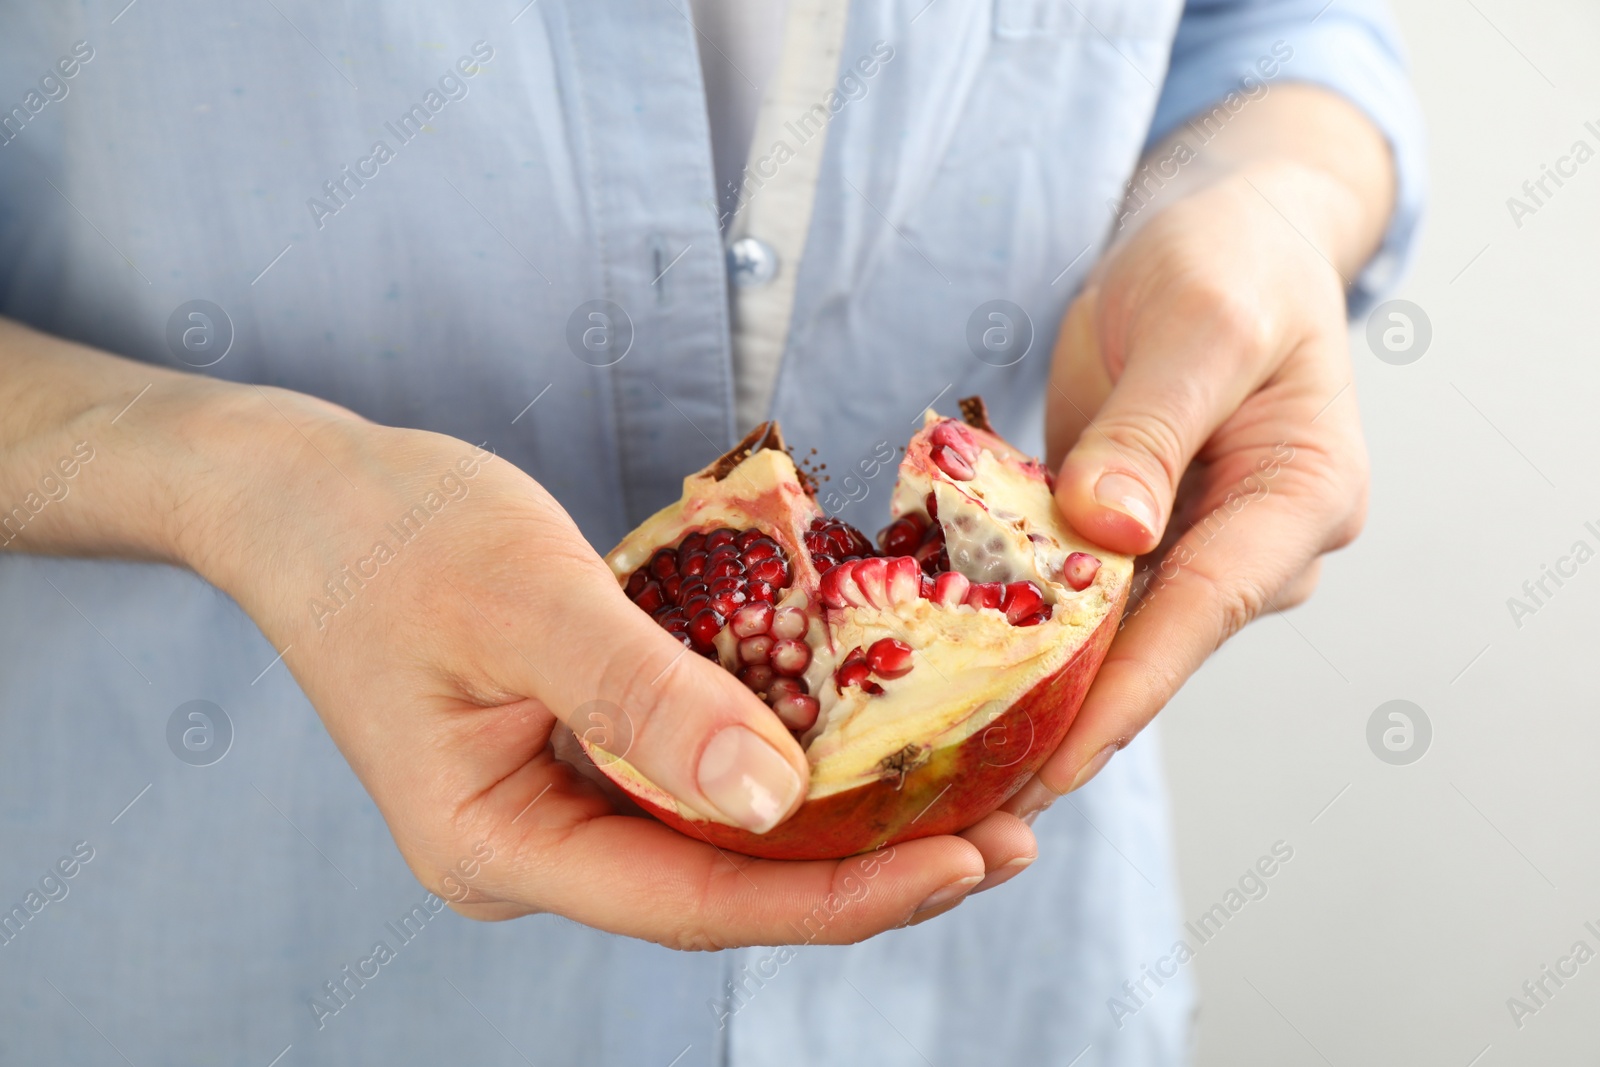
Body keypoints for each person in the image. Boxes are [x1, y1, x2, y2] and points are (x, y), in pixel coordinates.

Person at [0, 0, 1421, 1062]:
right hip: (220, 957)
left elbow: (1272, 30)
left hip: (1000, 995)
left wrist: (1270, 204)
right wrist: (243, 478)